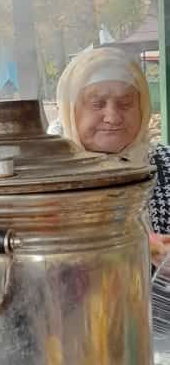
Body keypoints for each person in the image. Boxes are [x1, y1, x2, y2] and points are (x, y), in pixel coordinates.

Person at [51, 45, 170, 262]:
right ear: (70, 110)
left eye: (125, 104)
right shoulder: (45, 174)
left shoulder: (166, 164)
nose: (113, 117)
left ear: (142, 107)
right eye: (97, 104)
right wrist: (140, 246)